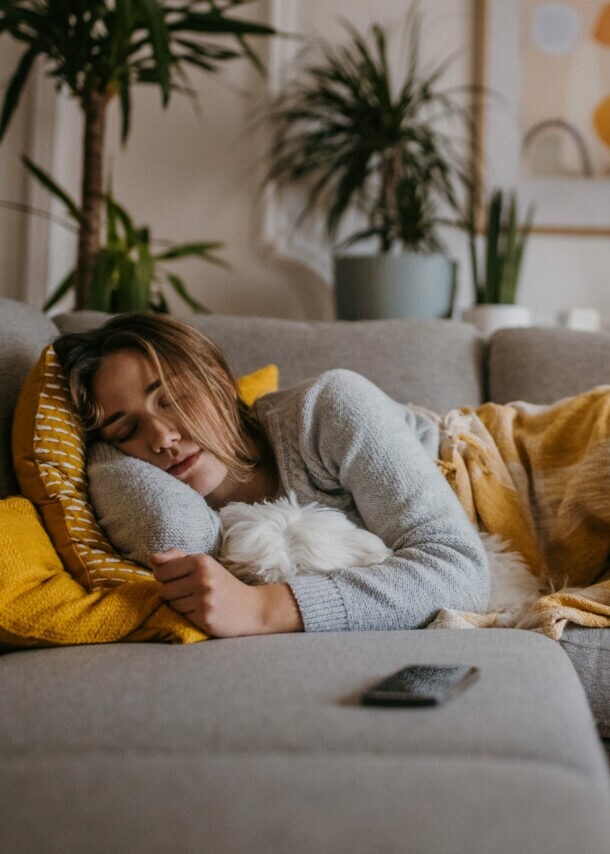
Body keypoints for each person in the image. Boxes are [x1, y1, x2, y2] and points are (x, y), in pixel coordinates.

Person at [53, 313, 489, 638]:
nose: (162, 438)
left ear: (221, 382)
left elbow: (463, 572)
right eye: (127, 430)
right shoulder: (158, 501)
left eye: (173, 398)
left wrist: (261, 608)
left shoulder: (328, 409)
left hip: (502, 463)